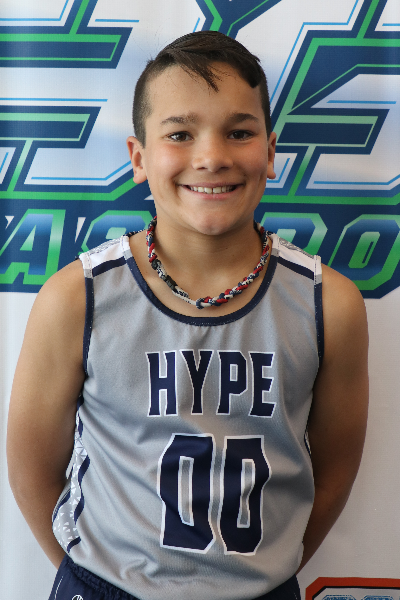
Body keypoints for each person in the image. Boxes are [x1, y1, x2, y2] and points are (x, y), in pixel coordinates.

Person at [7, 31, 368, 600]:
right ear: (139, 157)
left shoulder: (330, 303)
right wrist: (94, 578)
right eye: (179, 134)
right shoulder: (77, 297)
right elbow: (32, 469)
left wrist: (260, 577)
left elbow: (334, 474)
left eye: (239, 132)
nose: (212, 157)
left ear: (270, 152)